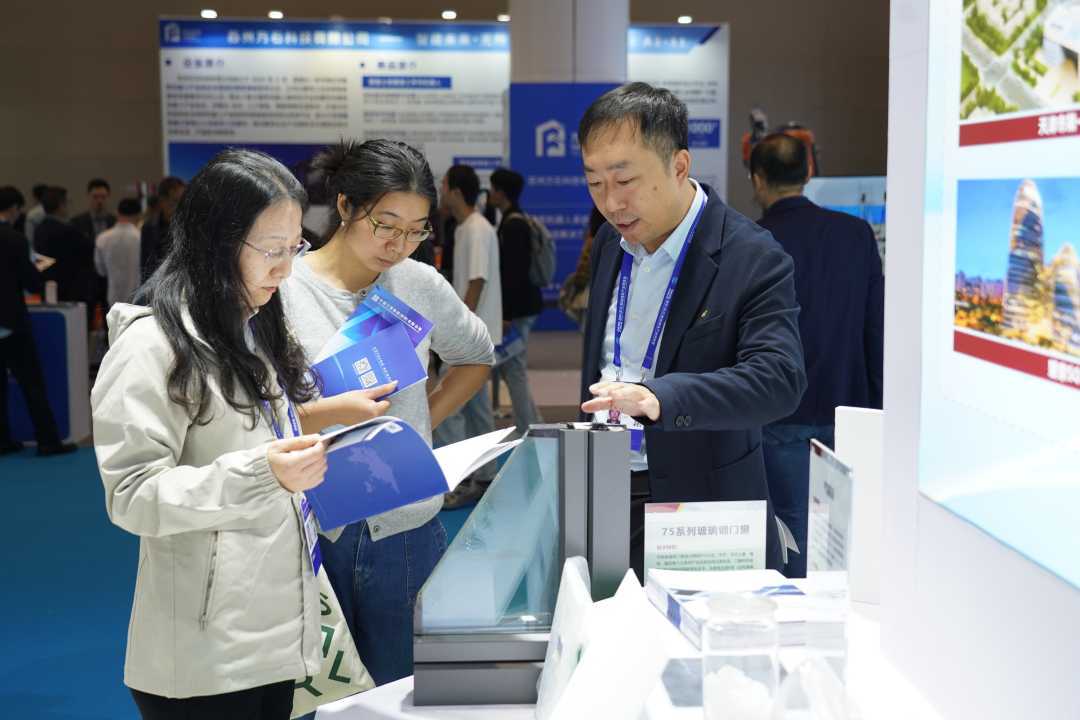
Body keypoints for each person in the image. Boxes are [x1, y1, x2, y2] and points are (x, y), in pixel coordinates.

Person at [92, 149, 342, 719]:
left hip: (275, 637)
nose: (286, 269)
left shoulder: (253, 329)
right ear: (216, 242)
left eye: (295, 248)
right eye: (272, 250)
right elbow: (132, 494)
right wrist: (263, 473)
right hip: (203, 655)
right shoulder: (152, 345)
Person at [281, 139, 493, 688]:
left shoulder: (418, 284)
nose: (399, 245)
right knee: (318, 694)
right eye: (386, 225)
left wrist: (422, 422)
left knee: (404, 691)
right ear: (345, 205)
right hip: (312, 529)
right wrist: (323, 414)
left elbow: (476, 356)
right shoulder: (283, 290)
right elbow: (253, 412)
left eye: (417, 230)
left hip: (405, 529)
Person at [576, 83, 807, 580]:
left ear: (679, 166)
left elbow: (778, 379)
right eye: (595, 183)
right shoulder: (611, 246)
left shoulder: (751, 255)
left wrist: (659, 397)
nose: (611, 203)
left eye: (625, 180)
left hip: (702, 509)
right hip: (606, 494)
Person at [750, 132, 884, 578]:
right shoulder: (856, 235)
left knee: (791, 534)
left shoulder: (751, 240)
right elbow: (875, 328)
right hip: (849, 409)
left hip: (776, 414)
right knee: (848, 535)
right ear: (809, 171)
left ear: (757, 179)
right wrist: (878, 409)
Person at [436, 164, 503, 508]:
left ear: (456, 192)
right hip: (474, 338)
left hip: (470, 341)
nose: (441, 192)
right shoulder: (467, 228)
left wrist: (460, 332)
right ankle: (486, 477)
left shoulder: (476, 229)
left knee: (447, 409)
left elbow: (476, 283)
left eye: (444, 186)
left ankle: (458, 479)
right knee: (476, 413)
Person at [0, 186, 77, 457]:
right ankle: (47, 440)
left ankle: (3, 440)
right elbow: (31, 282)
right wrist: (39, 273)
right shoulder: (15, 239)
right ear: (14, 208)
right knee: (32, 383)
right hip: (10, 321)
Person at [487, 167, 543, 434]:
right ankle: (533, 425)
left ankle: (530, 428)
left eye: (493, 189)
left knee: (514, 370)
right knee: (513, 369)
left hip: (518, 310)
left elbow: (513, 274)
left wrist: (506, 314)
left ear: (501, 193)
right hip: (521, 307)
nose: (490, 194)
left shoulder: (514, 225)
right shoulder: (513, 220)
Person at [33, 186, 96, 312]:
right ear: (61, 205)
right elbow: (88, 254)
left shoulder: (39, 230)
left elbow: (40, 262)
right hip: (72, 292)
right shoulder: (70, 232)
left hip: (49, 289)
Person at [559, 206, 606, 330]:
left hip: (591, 296)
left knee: (591, 334)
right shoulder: (621, 241)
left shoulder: (593, 242)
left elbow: (583, 269)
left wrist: (578, 284)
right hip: (613, 295)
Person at [94, 197, 143, 309]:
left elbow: (101, 271)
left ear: (117, 213)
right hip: (137, 299)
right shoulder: (140, 237)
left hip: (112, 299)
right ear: (138, 215)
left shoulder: (102, 238)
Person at [140, 176, 186, 282]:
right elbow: (145, 266)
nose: (182, 207)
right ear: (162, 201)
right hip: (158, 286)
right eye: (176, 201)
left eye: (184, 201)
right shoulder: (149, 228)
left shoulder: (191, 227)